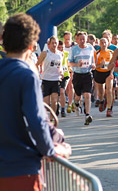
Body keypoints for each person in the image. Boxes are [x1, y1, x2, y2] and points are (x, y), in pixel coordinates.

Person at [0, 13, 70, 190]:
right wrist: (52, 150)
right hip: (20, 169)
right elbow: (37, 121)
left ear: (4, 42)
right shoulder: (26, 75)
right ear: (32, 46)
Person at [68, 32, 96, 125]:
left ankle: (87, 115)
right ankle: (76, 104)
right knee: (78, 96)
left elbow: (92, 60)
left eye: (84, 39)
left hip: (87, 74)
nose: (82, 41)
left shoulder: (90, 48)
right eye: (80, 39)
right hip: (77, 75)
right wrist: (77, 64)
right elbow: (70, 63)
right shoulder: (74, 49)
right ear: (77, 40)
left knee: (87, 95)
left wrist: (93, 65)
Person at [36, 37, 64, 117]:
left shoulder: (60, 54)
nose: (54, 45)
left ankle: (52, 119)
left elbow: (60, 66)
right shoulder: (45, 53)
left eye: (56, 43)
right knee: (46, 103)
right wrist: (38, 74)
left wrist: (61, 73)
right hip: (46, 79)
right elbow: (37, 64)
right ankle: (45, 119)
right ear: (49, 44)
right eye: (53, 43)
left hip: (56, 79)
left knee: (54, 101)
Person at [94, 38, 114, 114]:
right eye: (101, 43)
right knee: (101, 92)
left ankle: (109, 109)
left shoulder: (111, 52)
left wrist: (111, 73)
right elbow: (94, 66)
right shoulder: (97, 53)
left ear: (108, 43)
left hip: (108, 73)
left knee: (109, 90)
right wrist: (100, 65)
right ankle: (102, 101)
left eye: (105, 42)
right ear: (99, 44)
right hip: (99, 73)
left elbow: (113, 64)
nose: (103, 44)